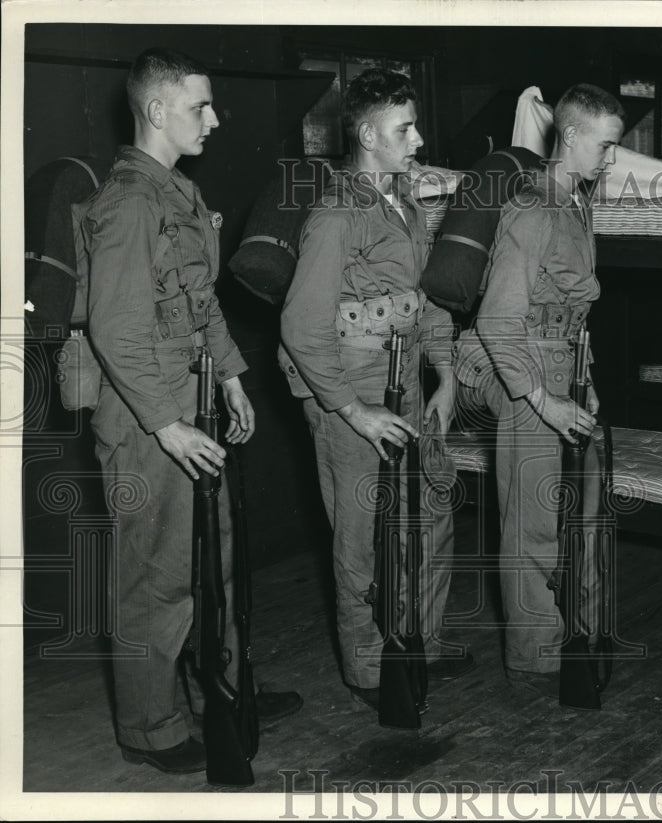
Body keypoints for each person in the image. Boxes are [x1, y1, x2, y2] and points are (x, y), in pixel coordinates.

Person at [80, 48, 301, 776]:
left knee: (218, 563)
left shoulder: (173, 193)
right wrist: (167, 424)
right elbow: (115, 329)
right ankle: (149, 727)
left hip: (195, 401)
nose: (214, 118)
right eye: (199, 106)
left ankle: (223, 692)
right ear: (156, 111)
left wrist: (234, 376)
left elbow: (198, 302)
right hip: (151, 422)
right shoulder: (130, 203)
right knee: (159, 578)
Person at [280, 68, 472, 714]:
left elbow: (431, 299)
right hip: (352, 385)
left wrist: (444, 373)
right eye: (404, 129)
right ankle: (369, 665)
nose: (417, 140)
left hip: (407, 380)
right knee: (362, 532)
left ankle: (418, 637)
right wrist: (353, 411)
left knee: (430, 514)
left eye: (414, 125)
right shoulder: (336, 214)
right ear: (367, 134)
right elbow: (301, 328)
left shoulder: (407, 203)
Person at [453, 83, 625, 697]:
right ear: (571, 136)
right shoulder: (531, 209)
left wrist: (586, 379)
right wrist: (542, 400)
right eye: (605, 146)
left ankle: (579, 630)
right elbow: (498, 321)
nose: (610, 160)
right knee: (530, 520)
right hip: (516, 362)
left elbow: (576, 309)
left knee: (584, 510)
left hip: (561, 361)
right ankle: (535, 656)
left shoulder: (576, 205)